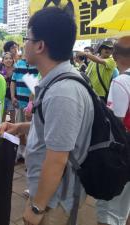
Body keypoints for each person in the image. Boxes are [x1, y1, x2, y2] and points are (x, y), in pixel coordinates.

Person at [0, 7, 94, 225]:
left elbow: (57, 159)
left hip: (55, 202)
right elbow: (56, 130)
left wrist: (37, 207)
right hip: (51, 195)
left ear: (40, 45)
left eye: (26, 38)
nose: (23, 44)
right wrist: (22, 126)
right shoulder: (57, 83)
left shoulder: (62, 92)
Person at [96, 36, 130, 225]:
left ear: (115, 56)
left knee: (110, 211)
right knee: (125, 206)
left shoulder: (121, 82)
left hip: (123, 153)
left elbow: (116, 125)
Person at [0, 52, 15, 122]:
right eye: (6, 58)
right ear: (3, 61)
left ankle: (13, 133)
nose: (8, 60)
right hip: (2, 96)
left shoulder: (16, 70)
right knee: (2, 116)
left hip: (12, 97)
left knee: (13, 117)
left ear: (13, 60)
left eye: (10, 58)